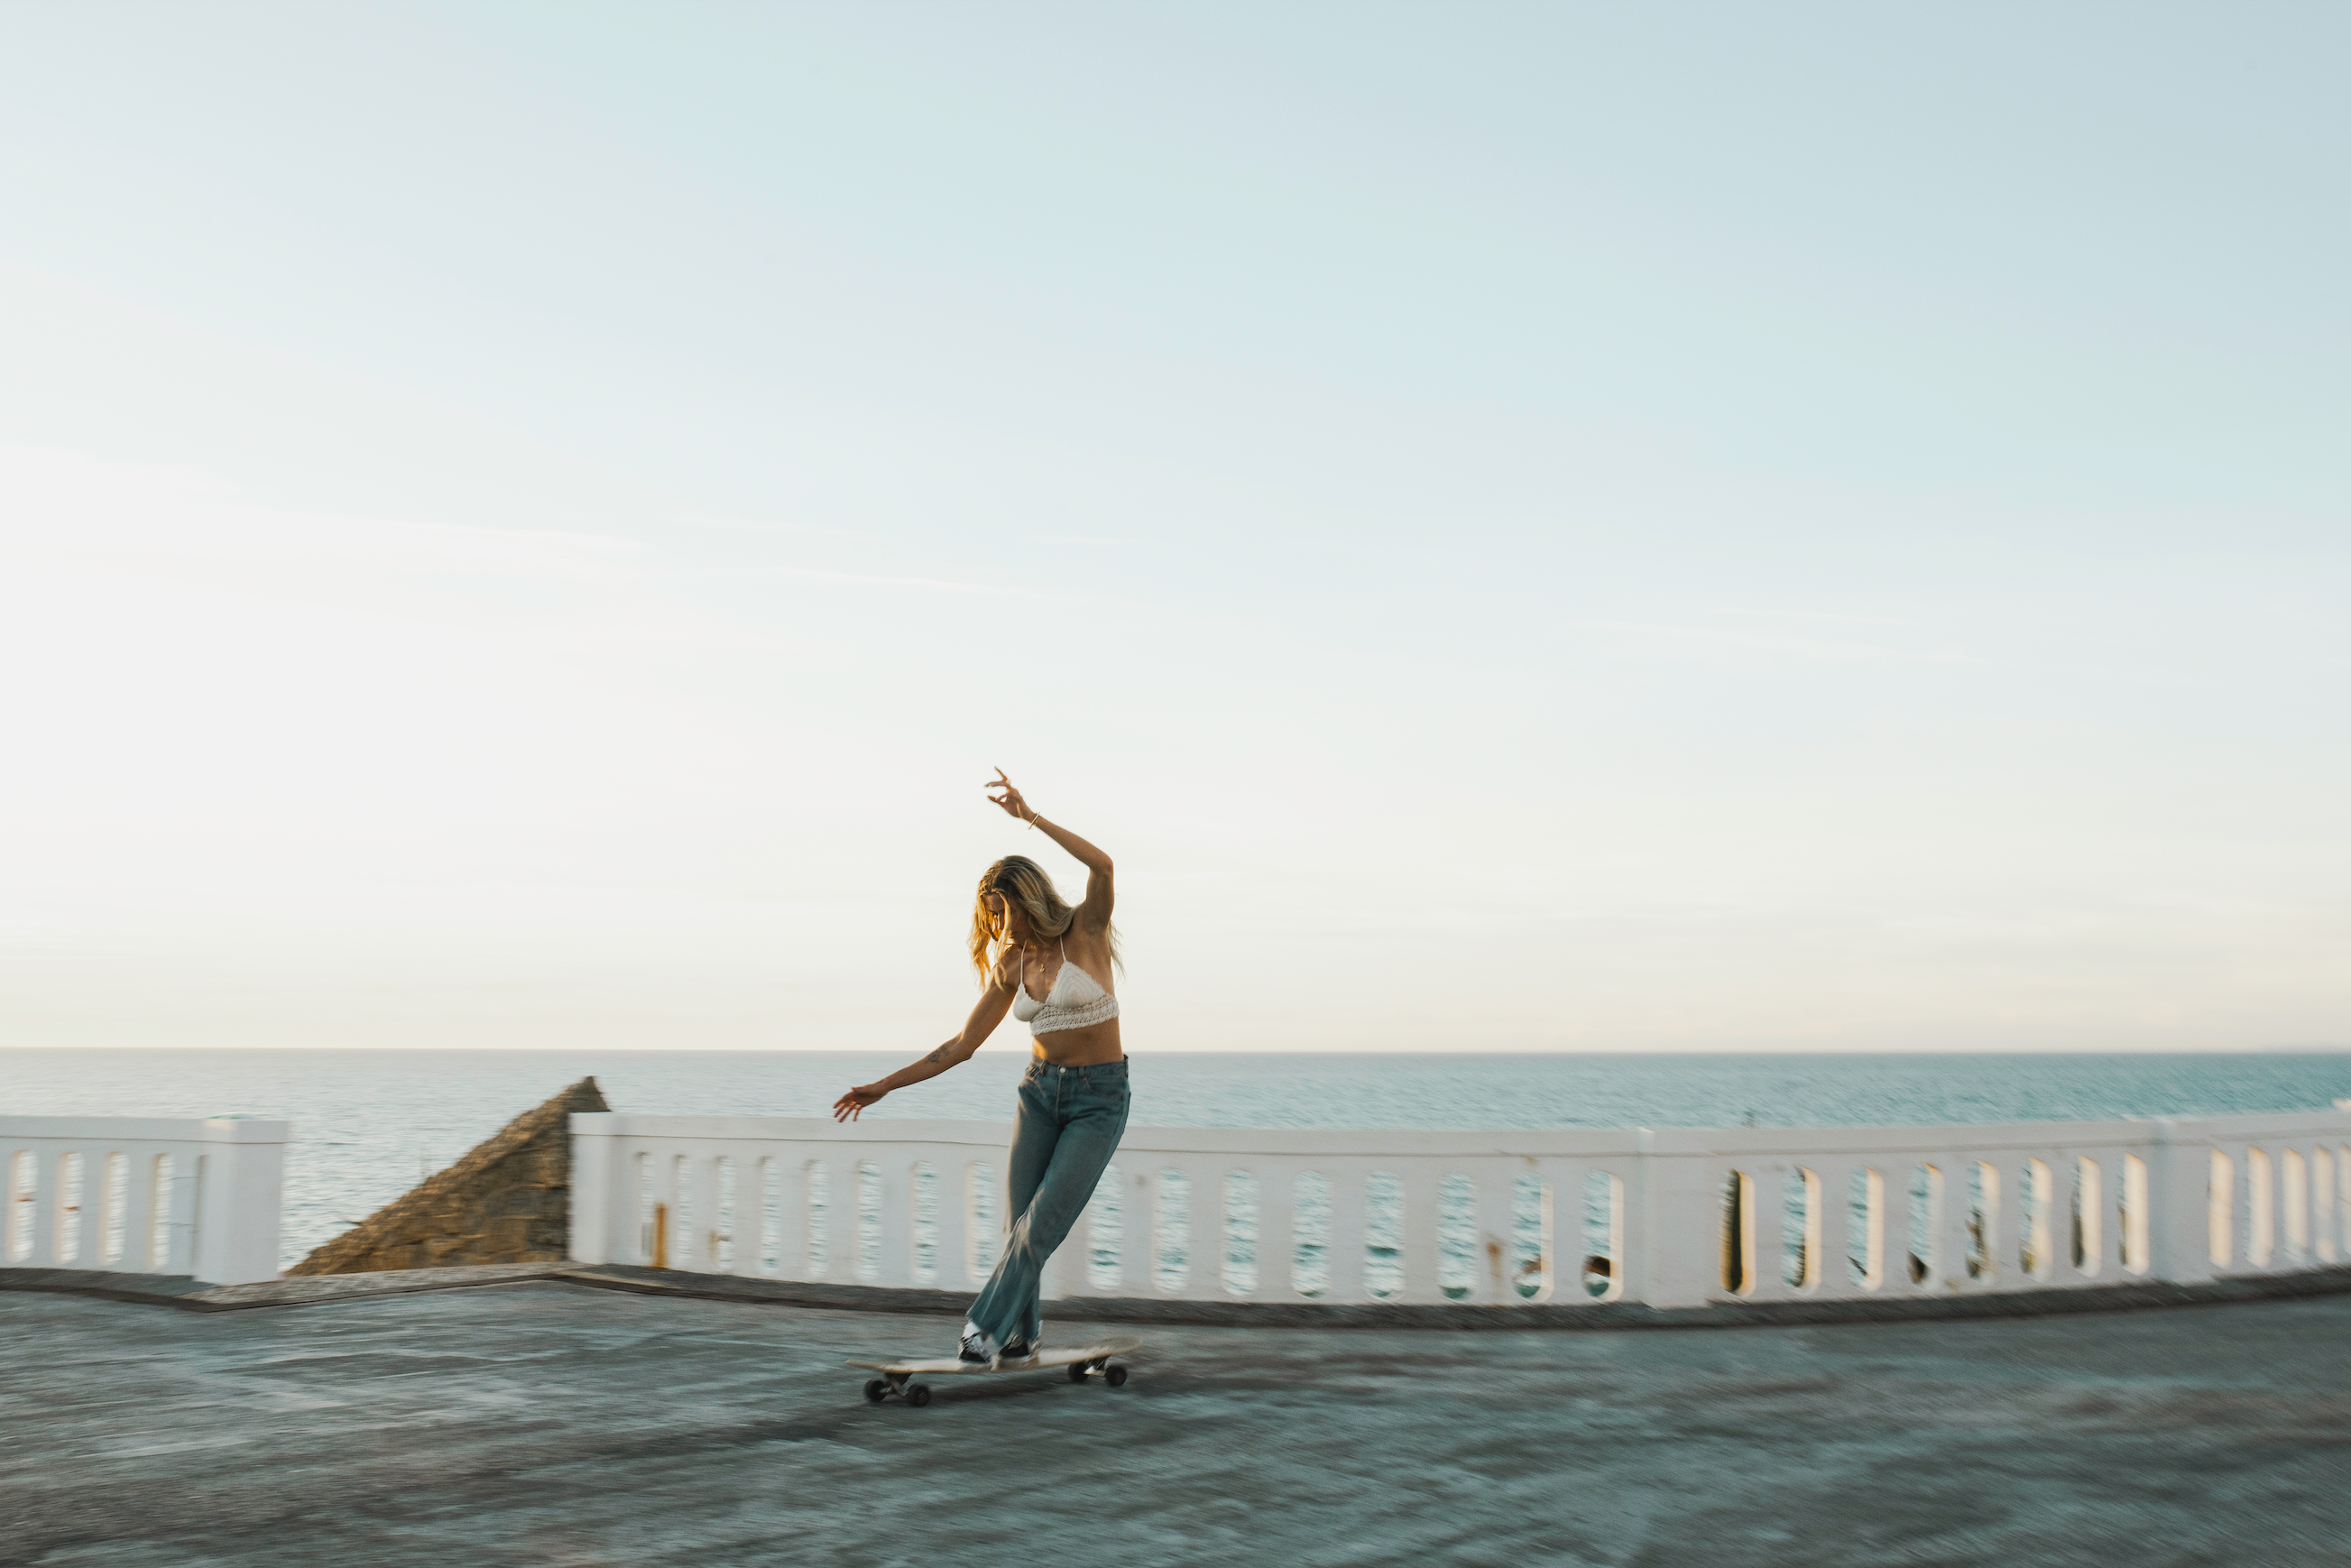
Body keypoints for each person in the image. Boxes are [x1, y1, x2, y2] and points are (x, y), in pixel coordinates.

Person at [832, 770, 1127, 1366]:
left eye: (1004, 910)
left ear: (1028, 897)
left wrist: (1031, 817)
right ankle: (1022, 1335)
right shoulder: (1012, 963)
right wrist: (884, 1086)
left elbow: (1103, 865)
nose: (999, 925)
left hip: (1098, 1101)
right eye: (990, 915)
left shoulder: (1085, 928)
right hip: (1039, 1096)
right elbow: (961, 1045)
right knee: (1019, 1225)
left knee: (1040, 1225)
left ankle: (983, 1329)